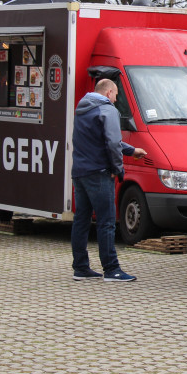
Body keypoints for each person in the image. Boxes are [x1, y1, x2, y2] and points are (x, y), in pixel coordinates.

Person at [70, 79, 146, 282]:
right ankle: (112, 269)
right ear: (109, 92)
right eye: (116, 94)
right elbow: (112, 142)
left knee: (81, 221)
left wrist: (132, 150)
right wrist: (118, 169)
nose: (116, 98)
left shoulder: (82, 108)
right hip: (99, 171)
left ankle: (80, 267)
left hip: (80, 171)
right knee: (106, 222)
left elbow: (100, 139)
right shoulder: (108, 110)